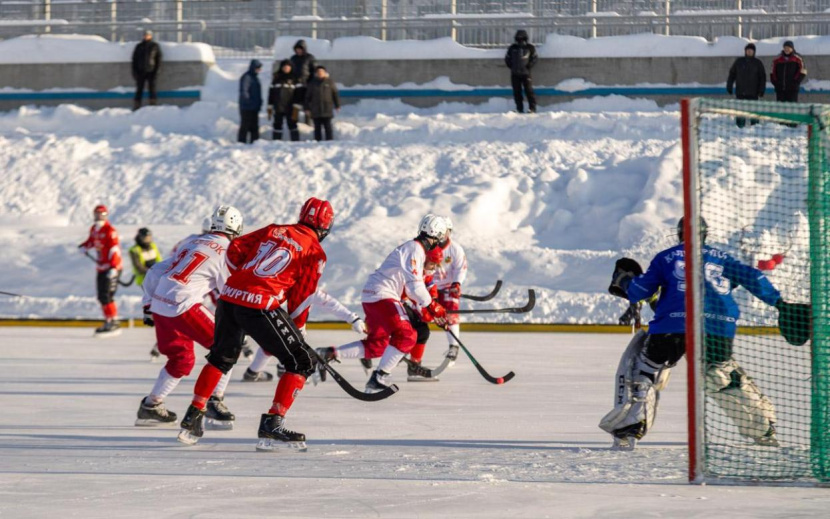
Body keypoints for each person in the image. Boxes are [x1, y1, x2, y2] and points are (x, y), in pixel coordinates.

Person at [602, 217, 793, 449]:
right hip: (717, 327)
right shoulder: (723, 259)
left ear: (680, 234)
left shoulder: (665, 257)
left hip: (670, 326)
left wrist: (625, 282)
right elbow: (754, 277)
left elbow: (640, 292)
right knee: (720, 376)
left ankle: (629, 428)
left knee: (644, 370)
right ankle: (763, 430)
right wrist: (781, 304)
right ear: (705, 234)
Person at [177, 197, 334, 451]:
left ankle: (193, 415)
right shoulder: (315, 252)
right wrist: (298, 328)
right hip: (260, 304)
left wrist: (242, 277)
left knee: (220, 358)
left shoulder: (275, 229)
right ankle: (273, 423)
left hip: (229, 297)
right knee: (301, 361)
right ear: (326, 227)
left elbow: (235, 247)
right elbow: (302, 296)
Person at [136, 205, 244, 428]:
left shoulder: (193, 242)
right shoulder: (227, 250)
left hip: (161, 303)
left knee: (181, 359)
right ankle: (215, 400)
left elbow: (156, 269)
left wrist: (148, 303)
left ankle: (151, 405)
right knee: (227, 346)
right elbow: (229, 291)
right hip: (183, 304)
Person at [315, 215, 449, 393]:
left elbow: (411, 290)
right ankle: (379, 378)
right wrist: (433, 307)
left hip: (373, 296)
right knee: (408, 336)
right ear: (436, 235)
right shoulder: (415, 249)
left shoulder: (413, 249)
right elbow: (415, 288)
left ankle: (329, 354)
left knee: (378, 346)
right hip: (382, 295)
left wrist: (431, 311)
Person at [241, 289, 367, 382]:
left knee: (270, 343)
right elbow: (331, 304)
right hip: (290, 329)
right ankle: (282, 369)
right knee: (288, 347)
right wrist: (353, 318)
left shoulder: (284, 280)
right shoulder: (308, 288)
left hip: (272, 322)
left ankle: (254, 372)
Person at [78, 205, 123, 335]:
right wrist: (84, 247)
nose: (99, 217)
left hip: (111, 268)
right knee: (101, 296)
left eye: (101, 214)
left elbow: (114, 249)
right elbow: (92, 241)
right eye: (97, 214)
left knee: (107, 295)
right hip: (101, 267)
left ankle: (114, 321)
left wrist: (114, 267)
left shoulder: (110, 230)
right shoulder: (94, 229)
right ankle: (108, 320)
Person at [433, 216, 467, 363]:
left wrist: (456, 284)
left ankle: (454, 347)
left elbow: (461, 268)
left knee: (451, 313)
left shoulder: (455, 249)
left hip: (448, 287)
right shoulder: (428, 247)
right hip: (429, 287)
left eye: (445, 231)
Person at [726, 43, 767, 128]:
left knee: (754, 110)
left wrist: (761, 90)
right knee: (740, 110)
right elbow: (732, 74)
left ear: (754, 52)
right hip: (740, 91)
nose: (749, 51)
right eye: (747, 50)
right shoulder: (739, 62)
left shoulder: (758, 63)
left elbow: (762, 77)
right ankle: (740, 126)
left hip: (753, 92)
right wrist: (729, 85)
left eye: (751, 50)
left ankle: (755, 126)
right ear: (745, 51)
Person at [504, 29, 538, 114]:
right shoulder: (512, 48)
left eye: (522, 38)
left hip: (526, 74)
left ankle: (532, 108)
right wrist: (512, 67)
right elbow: (507, 58)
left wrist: (529, 66)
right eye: (519, 38)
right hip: (515, 73)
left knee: (529, 91)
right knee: (517, 92)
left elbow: (535, 58)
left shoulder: (530, 47)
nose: (520, 39)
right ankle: (519, 109)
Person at [305, 66, 340, 142]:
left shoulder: (330, 82)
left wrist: (337, 105)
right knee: (317, 127)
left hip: (327, 109)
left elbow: (335, 94)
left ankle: (329, 142)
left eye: (322, 72)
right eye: (318, 72)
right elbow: (307, 97)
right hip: (316, 109)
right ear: (316, 73)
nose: (320, 73)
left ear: (325, 73)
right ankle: (318, 142)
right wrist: (307, 108)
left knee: (328, 127)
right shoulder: (312, 83)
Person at [268, 60, 299, 142]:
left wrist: (297, 104)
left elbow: (299, 93)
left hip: (292, 107)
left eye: (288, 66)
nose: (286, 68)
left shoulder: (295, 78)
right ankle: (276, 142)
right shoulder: (276, 78)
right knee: (277, 124)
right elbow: (271, 93)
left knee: (293, 124)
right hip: (278, 106)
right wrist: (270, 106)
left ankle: (295, 142)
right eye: (284, 66)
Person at [131, 30, 162, 111]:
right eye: (145, 35)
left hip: (151, 71)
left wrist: (156, 71)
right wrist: (134, 71)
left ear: (151, 36)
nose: (146, 36)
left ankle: (153, 105)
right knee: (139, 88)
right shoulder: (139, 46)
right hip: (140, 71)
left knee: (152, 88)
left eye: (148, 35)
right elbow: (134, 59)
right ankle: (137, 105)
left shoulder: (155, 46)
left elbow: (158, 59)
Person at [290, 40, 317, 124]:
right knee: (295, 105)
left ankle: (308, 123)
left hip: (307, 85)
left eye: (300, 49)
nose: (298, 51)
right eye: (297, 49)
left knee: (307, 105)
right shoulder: (293, 58)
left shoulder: (310, 58)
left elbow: (314, 71)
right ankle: (294, 123)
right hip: (296, 86)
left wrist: (311, 83)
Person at [238, 59, 263, 144]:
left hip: (254, 107)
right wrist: (249, 102)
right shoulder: (247, 77)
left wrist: (259, 103)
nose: (259, 70)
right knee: (245, 126)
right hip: (247, 107)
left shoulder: (255, 78)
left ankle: (254, 142)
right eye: (258, 68)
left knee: (254, 127)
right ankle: (241, 142)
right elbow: (244, 91)